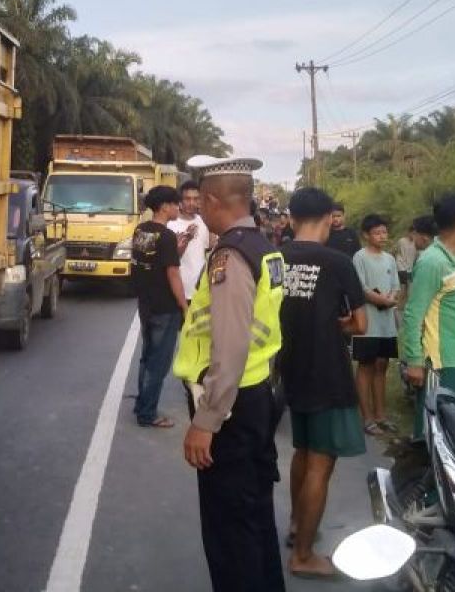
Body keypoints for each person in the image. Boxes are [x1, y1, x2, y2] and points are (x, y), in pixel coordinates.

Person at [174, 156, 286, 592]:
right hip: (258, 395)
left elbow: (231, 344)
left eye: (202, 199)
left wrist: (206, 421)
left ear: (213, 199)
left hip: (231, 408)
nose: (198, 207)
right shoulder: (265, 247)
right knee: (254, 515)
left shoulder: (229, 256)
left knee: (229, 529)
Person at [278, 188, 368, 579]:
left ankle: (298, 525)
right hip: (328, 371)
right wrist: (339, 324)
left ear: (292, 217)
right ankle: (302, 555)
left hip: (290, 370)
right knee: (320, 463)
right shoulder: (338, 262)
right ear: (330, 218)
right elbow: (360, 324)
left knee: (302, 451)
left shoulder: (275, 258)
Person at [401, 194, 455, 438]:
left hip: (453, 357)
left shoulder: (451, 260)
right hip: (437, 360)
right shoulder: (433, 261)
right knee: (430, 431)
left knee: (446, 430)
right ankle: (419, 474)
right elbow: (413, 314)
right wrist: (414, 360)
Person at [131, 185, 188, 429]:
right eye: (176, 204)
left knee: (147, 356)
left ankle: (141, 403)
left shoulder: (141, 231)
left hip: (146, 303)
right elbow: (172, 273)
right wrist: (184, 305)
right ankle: (148, 413)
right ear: (165, 206)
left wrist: (180, 245)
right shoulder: (165, 236)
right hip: (165, 307)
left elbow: (151, 261)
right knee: (159, 362)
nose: (179, 207)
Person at [352, 214, 401, 436]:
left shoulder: (390, 259)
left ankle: (381, 415)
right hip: (368, 322)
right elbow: (360, 288)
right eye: (377, 233)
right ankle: (367, 417)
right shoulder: (359, 257)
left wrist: (391, 297)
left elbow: (396, 286)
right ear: (366, 235)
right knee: (366, 366)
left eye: (384, 232)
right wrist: (383, 300)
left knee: (382, 366)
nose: (382, 236)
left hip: (387, 323)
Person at [168, 180, 210, 306]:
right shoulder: (170, 225)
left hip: (200, 291)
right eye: (187, 199)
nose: (191, 203)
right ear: (180, 201)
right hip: (178, 292)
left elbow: (207, 252)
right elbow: (169, 260)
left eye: (196, 199)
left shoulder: (205, 222)